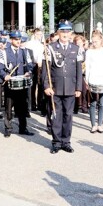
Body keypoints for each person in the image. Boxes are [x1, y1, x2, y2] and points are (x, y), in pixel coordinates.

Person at [42, 20, 82, 154]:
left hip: (70, 89)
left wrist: (79, 88)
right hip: (55, 88)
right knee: (56, 115)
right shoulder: (50, 48)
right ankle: (56, 142)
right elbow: (45, 70)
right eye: (62, 31)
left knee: (68, 116)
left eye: (67, 31)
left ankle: (66, 142)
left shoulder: (76, 49)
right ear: (58, 32)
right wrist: (47, 86)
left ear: (71, 33)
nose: (65, 34)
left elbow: (78, 71)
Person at [0, 30, 34, 137]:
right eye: (16, 39)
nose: (18, 41)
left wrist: (28, 71)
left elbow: (29, 64)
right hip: (10, 84)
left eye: (19, 39)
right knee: (9, 107)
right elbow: (0, 68)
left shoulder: (24, 51)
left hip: (22, 84)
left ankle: (23, 128)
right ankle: (8, 128)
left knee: (22, 107)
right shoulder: (4, 52)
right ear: (11, 40)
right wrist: (5, 75)